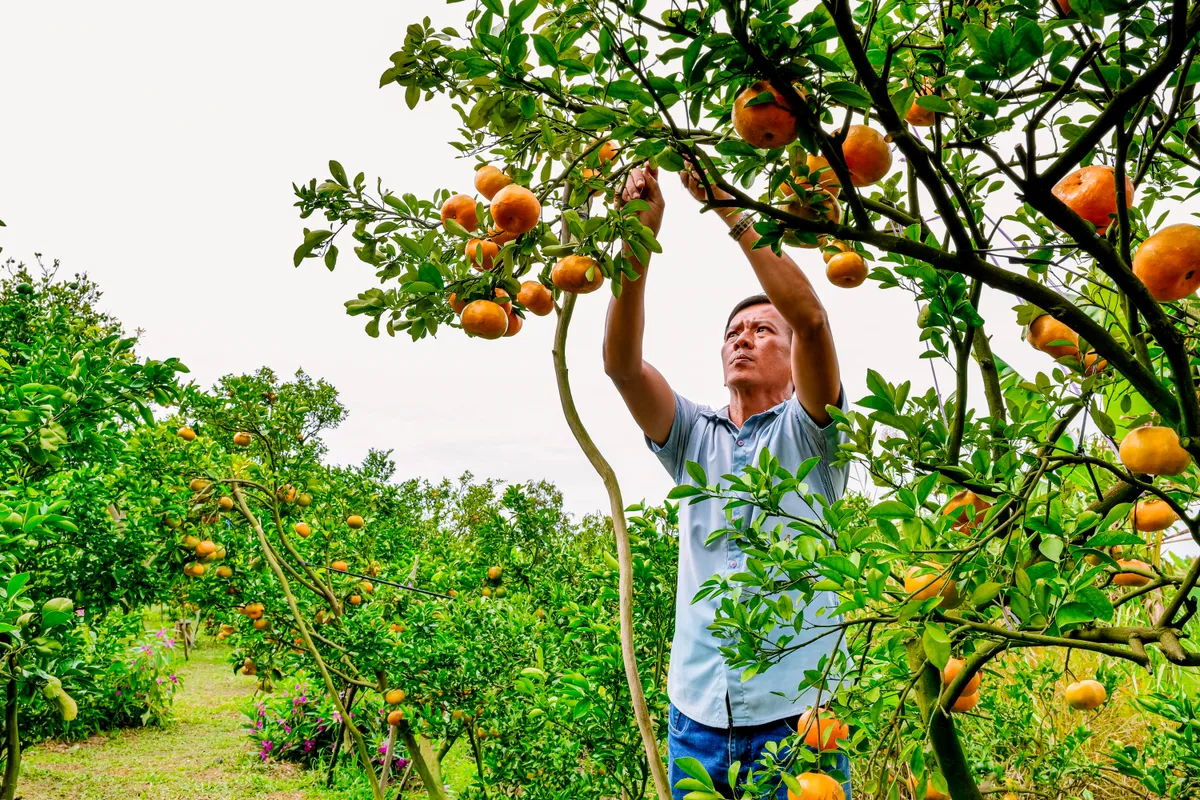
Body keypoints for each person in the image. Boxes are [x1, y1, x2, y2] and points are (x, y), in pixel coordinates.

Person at [602, 161, 852, 800]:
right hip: (696, 717)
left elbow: (815, 321)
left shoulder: (812, 435)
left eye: (764, 330)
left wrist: (727, 209)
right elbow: (622, 367)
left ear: (794, 359)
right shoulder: (692, 436)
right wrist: (637, 241)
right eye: (733, 333)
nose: (742, 340)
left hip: (798, 722)